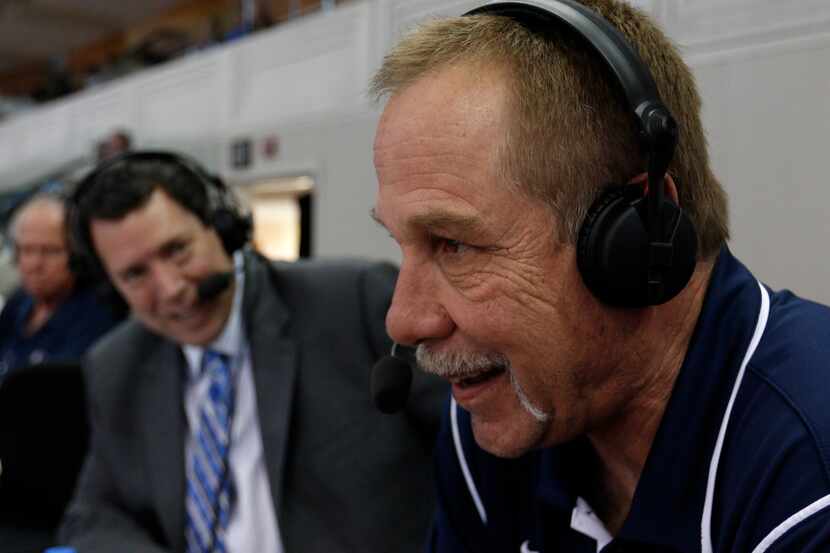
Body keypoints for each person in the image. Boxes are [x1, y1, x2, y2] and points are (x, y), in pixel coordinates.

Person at [369, 1, 830, 551]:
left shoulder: (810, 470)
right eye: (404, 244)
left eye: (456, 245)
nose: (404, 321)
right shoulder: (505, 410)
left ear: (637, 240)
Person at [57, 151, 444, 553]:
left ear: (222, 227)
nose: (171, 289)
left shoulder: (353, 302)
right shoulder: (116, 365)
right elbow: (93, 516)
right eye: (136, 275)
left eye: (177, 250)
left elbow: (480, 450)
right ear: (109, 288)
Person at [0, 192, 120, 379]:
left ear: (78, 255)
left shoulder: (98, 316)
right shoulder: (18, 303)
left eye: (50, 251)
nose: (35, 264)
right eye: (27, 250)